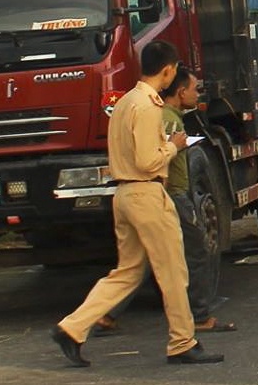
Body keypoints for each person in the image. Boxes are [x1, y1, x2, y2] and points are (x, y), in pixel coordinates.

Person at [51, 40, 223, 368]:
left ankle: (72, 328)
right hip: (147, 192)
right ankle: (182, 341)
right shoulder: (147, 106)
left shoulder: (126, 102)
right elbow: (147, 161)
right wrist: (173, 146)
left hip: (125, 194)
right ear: (168, 70)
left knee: (127, 273)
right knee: (173, 271)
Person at [93, 67, 235, 335]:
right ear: (180, 91)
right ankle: (198, 317)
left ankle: (106, 314)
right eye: (194, 89)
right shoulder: (164, 117)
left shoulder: (142, 108)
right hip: (168, 195)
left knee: (143, 261)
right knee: (195, 252)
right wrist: (174, 152)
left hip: (144, 196)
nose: (197, 94)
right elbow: (154, 161)